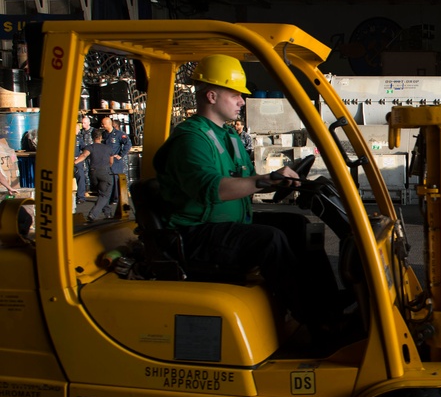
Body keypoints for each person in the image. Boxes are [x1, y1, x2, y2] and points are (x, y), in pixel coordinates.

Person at [153, 54, 337, 332]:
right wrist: (267, 180)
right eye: (236, 94)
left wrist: (276, 182)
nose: (242, 101)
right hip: (194, 233)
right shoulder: (191, 139)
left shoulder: (228, 136)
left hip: (228, 223)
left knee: (298, 225)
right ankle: (314, 320)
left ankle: (329, 304)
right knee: (270, 240)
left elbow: (244, 180)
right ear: (212, 95)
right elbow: (214, 188)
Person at [73, 129, 115, 221]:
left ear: (92, 137)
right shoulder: (108, 148)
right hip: (105, 172)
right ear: (101, 137)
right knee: (105, 194)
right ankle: (93, 214)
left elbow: (83, 156)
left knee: (101, 193)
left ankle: (107, 213)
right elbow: (111, 162)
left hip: (93, 173)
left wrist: (74, 162)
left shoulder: (90, 147)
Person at [101, 116, 131, 205]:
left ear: (109, 124)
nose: (102, 125)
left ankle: (116, 198)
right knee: (107, 179)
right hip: (106, 160)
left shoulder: (119, 134)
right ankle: (109, 198)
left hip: (115, 161)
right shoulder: (104, 134)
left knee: (115, 178)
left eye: (104, 124)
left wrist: (121, 155)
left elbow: (128, 144)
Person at [74, 118, 93, 203]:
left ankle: (80, 197)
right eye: (77, 129)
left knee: (81, 177)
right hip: (67, 161)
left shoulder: (78, 139)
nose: (78, 131)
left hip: (77, 161)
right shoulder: (66, 139)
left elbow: (84, 147)